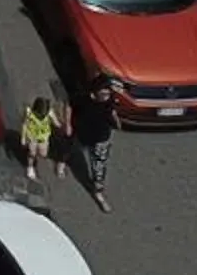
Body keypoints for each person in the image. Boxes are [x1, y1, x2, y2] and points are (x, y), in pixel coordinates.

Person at [64, 78, 120, 211]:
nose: (107, 96)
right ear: (96, 90)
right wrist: (67, 124)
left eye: (108, 93)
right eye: (104, 93)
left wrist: (116, 121)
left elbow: (112, 111)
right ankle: (62, 160)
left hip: (101, 137)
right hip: (81, 133)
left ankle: (98, 193)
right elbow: (69, 105)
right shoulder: (83, 98)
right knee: (70, 147)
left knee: (99, 165)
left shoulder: (110, 100)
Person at [18, 96, 58, 185]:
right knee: (32, 153)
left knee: (43, 154)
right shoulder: (29, 112)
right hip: (32, 136)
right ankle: (30, 167)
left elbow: (56, 123)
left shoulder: (49, 112)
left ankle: (35, 156)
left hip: (43, 137)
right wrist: (23, 138)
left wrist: (58, 125)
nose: (41, 117)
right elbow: (24, 124)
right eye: (39, 115)